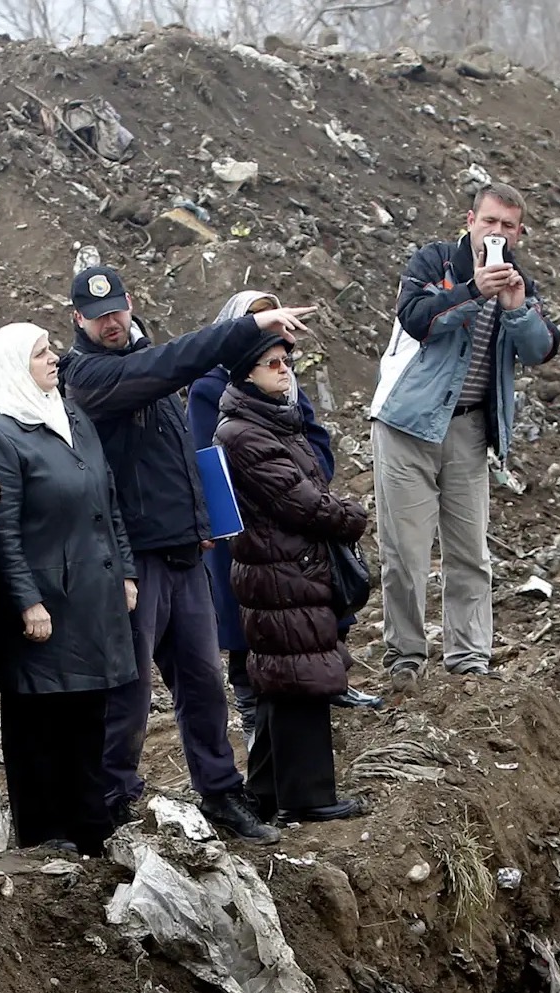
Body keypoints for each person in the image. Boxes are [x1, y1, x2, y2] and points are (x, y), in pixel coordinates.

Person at [60, 264, 312, 844]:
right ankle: (113, 801)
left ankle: (221, 793)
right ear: (79, 321)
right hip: (133, 562)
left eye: (117, 311)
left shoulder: (142, 357)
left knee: (203, 683)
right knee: (129, 693)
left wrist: (201, 520)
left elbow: (178, 453)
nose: (112, 323)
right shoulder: (90, 376)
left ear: (129, 303)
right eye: (98, 318)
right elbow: (170, 365)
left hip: (182, 553)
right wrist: (248, 327)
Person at [369, 184, 559, 692]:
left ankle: (470, 657)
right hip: (407, 424)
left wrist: (516, 307)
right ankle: (406, 656)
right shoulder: (435, 262)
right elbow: (415, 320)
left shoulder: (520, 280)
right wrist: (473, 290)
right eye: (490, 221)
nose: (498, 233)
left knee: (470, 552)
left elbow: (542, 350)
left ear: (520, 232)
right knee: (405, 552)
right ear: (470, 219)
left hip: (470, 427)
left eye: (509, 226)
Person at [0, 323, 139, 855]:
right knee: (41, 724)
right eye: (41, 353)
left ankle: (90, 828)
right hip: (44, 605)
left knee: (88, 715)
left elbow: (107, 504)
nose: (54, 358)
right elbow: (1, 530)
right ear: (15, 366)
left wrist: (127, 571)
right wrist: (27, 601)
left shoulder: (70, 417)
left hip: (90, 595)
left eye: (50, 349)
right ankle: (44, 836)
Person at [186, 290, 381, 740]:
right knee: (251, 612)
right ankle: (251, 701)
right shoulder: (211, 387)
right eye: (256, 324)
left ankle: (330, 683)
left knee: (312, 603)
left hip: (298, 514)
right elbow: (211, 460)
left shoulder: (282, 378)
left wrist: (306, 481)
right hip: (248, 522)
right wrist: (281, 487)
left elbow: (314, 438)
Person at [215, 337, 370, 822]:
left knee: (281, 680)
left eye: (287, 363)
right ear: (246, 375)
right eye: (273, 364)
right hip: (279, 569)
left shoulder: (272, 420)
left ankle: (268, 792)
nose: (284, 371)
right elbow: (299, 501)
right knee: (300, 675)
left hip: (286, 567)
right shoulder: (244, 433)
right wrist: (351, 516)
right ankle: (308, 798)